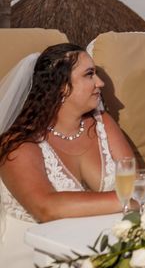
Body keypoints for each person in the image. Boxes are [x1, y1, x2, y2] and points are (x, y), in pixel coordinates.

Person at [0, 43, 137, 266]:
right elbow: (46, 207)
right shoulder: (19, 143)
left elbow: (135, 179)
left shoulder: (103, 124)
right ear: (62, 86)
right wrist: (127, 200)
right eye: (89, 75)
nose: (100, 83)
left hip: (98, 246)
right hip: (35, 254)